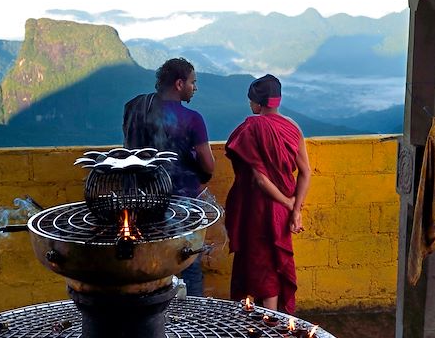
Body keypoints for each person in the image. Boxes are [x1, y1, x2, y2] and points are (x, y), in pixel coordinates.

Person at [123, 57, 215, 296]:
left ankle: (154, 321)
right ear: (178, 84)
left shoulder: (137, 108)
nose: (194, 88)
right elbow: (208, 164)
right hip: (184, 204)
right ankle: (193, 319)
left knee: (153, 266)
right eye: (193, 82)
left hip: (144, 202)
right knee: (189, 264)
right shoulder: (192, 119)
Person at [224, 74, 311, 314]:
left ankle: (266, 326)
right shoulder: (292, 126)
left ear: (258, 103)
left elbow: (260, 179)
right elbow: (306, 172)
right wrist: (295, 210)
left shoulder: (252, 127)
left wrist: (286, 202)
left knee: (258, 263)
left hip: (259, 208)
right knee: (273, 262)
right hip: (283, 212)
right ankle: (274, 323)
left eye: (251, 100)